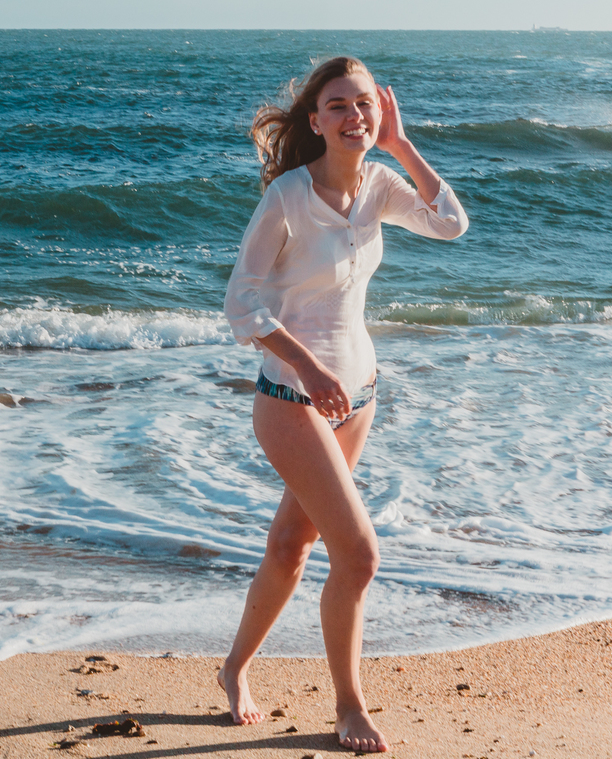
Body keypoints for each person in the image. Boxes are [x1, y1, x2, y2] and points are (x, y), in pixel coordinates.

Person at [220, 57, 468, 753]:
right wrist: (307, 365)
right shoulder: (287, 198)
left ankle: (233, 670)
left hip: (360, 396)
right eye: (338, 106)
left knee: (290, 547)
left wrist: (402, 146)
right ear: (315, 121)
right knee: (358, 556)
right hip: (290, 397)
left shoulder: (380, 185)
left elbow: (450, 224)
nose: (353, 115)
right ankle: (349, 707)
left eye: (364, 104)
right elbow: (243, 302)